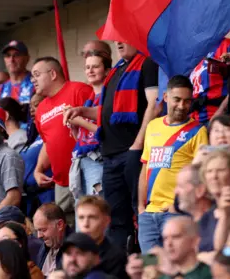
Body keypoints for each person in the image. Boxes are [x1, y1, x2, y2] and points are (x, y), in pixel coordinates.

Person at [63, 41, 159, 248]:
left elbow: (155, 104)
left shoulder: (147, 63)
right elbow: (107, 112)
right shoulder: (117, 71)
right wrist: (81, 110)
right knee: (115, 218)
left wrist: (137, 144)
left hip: (132, 151)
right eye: (116, 38)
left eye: (124, 36)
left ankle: (145, 265)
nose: (119, 42)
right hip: (110, 155)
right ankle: (119, 268)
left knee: (140, 211)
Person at [138, 75, 208, 252]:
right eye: (177, 99)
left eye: (187, 101)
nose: (182, 106)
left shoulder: (198, 131)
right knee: (151, 269)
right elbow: (145, 167)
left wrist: (177, 205)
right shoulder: (153, 126)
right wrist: (141, 208)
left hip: (176, 212)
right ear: (166, 97)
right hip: (149, 215)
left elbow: (201, 175)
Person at [32, 57, 93, 221]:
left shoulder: (79, 90)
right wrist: (38, 169)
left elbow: (97, 124)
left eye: (37, 74)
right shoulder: (41, 109)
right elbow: (48, 142)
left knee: (90, 226)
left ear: (52, 74)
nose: (33, 80)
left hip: (86, 174)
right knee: (66, 231)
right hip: (62, 182)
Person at [68, 50, 110, 200]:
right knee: (82, 211)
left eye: (95, 67)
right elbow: (80, 139)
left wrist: (80, 120)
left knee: (95, 209)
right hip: (82, 160)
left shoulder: (108, 97)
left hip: (98, 160)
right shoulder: (89, 100)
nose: (90, 71)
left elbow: (106, 132)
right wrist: (73, 126)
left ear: (106, 71)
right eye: (87, 67)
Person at [126, 216, 212, 279]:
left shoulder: (210, 273)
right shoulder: (161, 273)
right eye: (165, 238)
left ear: (194, 241)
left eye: (176, 237)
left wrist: (174, 272)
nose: (169, 243)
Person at [197, 150, 230, 253]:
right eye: (209, 171)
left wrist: (225, 216)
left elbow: (225, 252)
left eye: (220, 170)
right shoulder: (206, 216)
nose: (214, 176)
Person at [74, 197, 127, 279]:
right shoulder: (70, 251)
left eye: (92, 217)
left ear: (106, 221)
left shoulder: (116, 256)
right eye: (81, 218)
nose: (85, 224)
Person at [189, 38, 230, 124]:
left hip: (217, 118)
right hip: (194, 121)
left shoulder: (227, 45)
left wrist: (220, 113)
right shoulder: (192, 51)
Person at [33, 203, 71, 277]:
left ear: (60, 225)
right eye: (37, 230)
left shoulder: (74, 250)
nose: (39, 236)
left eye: (43, 230)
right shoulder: (44, 247)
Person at [0, 40, 35, 106]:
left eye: (17, 55)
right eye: (8, 55)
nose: (11, 60)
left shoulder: (36, 84)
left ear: (27, 58)